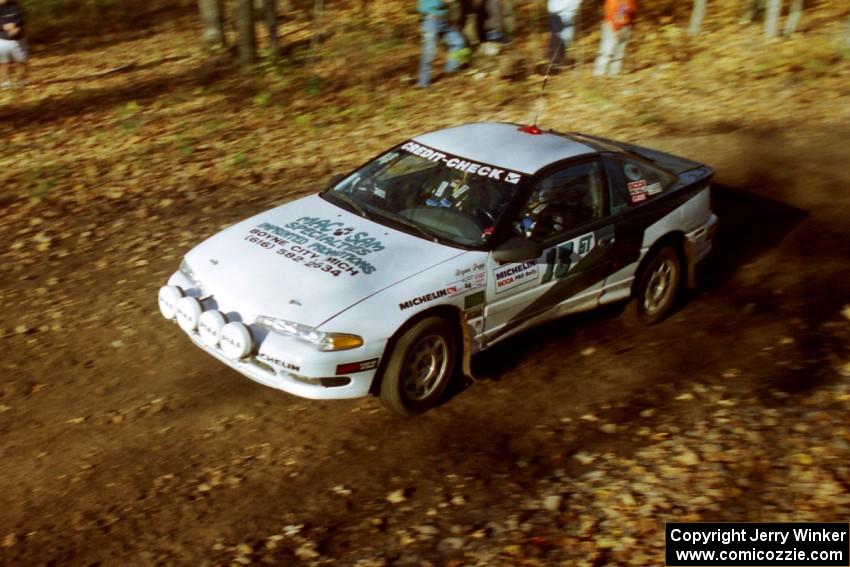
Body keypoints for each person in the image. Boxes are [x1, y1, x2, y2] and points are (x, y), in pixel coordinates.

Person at [417, 0, 467, 88]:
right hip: (431, 21)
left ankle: (450, 70)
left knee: (458, 42)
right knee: (429, 52)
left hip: (444, 20)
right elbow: (443, 2)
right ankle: (423, 83)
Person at [593, 0, 636, 77]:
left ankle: (614, 72)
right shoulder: (612, 1)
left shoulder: (631, 1)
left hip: (625, 27)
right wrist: (615, 29)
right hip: (610, 26)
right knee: (607, 49)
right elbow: (609, 14)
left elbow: (633, 12)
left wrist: (629, 25)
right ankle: (600, 72)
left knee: (619, 50)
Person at [546, 0, 582, 68]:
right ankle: (554, 60)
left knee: (565, 38)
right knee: (557, 36)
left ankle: (560, 59)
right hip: (557, 15)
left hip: (568, 15)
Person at [0, 0, 27, 89]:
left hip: (18, 38)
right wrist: (4, 27)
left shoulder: (15, 5)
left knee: (21, 60)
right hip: (2, 39)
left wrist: (16, 27)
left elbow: (22, 17)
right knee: (3, 62)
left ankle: (22, 81)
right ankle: (5, 83)